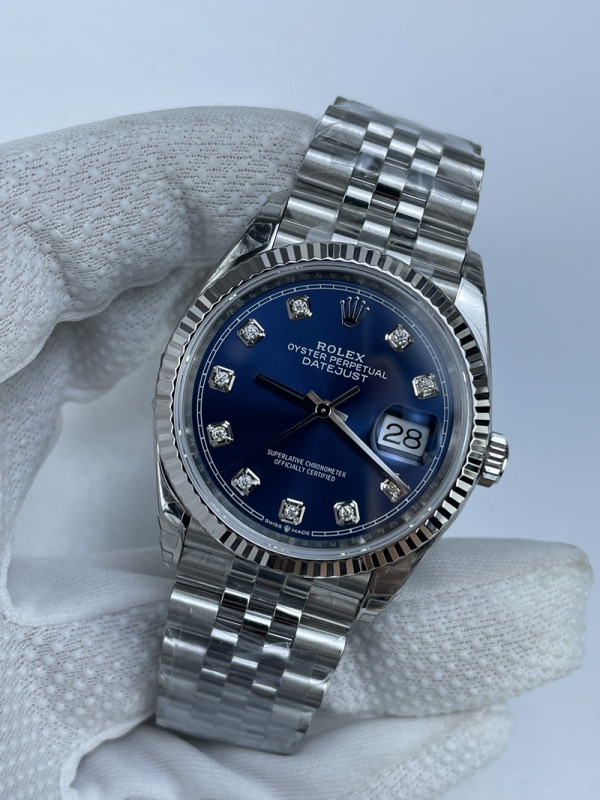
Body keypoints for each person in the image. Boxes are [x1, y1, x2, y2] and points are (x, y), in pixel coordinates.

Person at [0, 106, 591, 800]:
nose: (325, 410)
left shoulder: (436, 373)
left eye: (339, 409)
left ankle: (229, 720)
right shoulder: (247, 314)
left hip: (302, 525)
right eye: (320, 405)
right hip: (236, 510)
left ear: (476, 455)